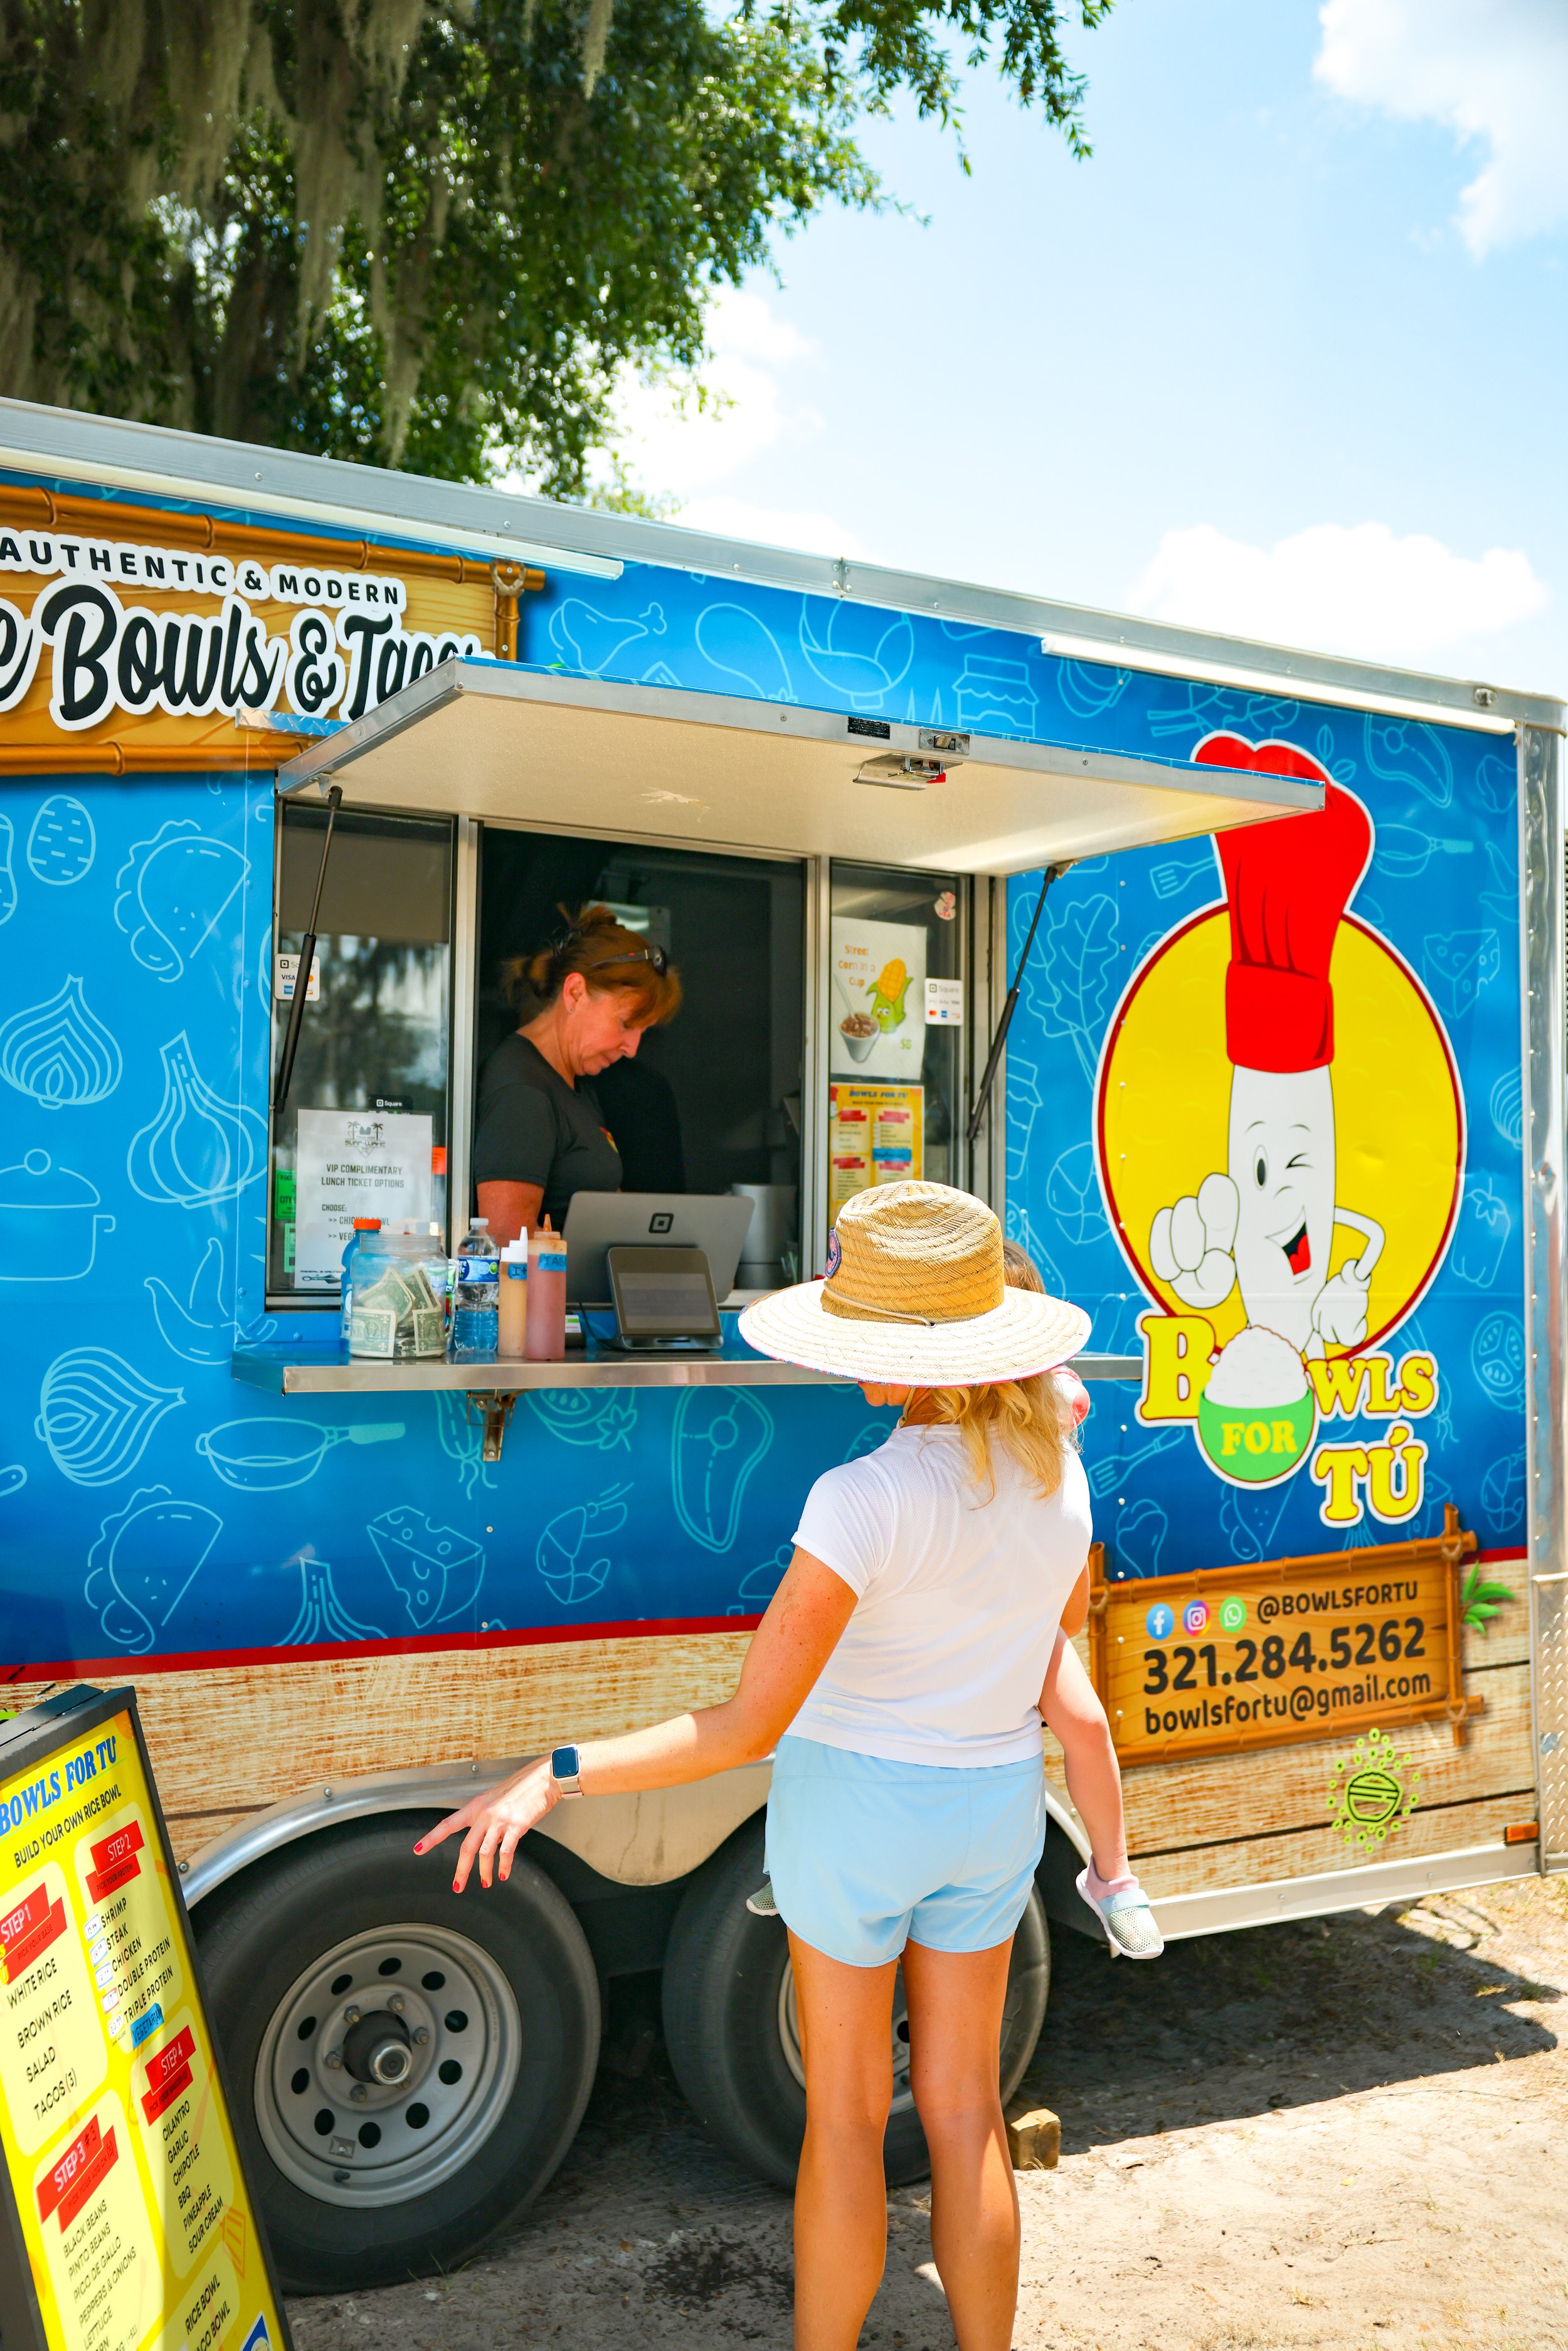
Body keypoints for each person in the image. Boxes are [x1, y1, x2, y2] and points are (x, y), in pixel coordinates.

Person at [415, 1181, 1162, 2351]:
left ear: (914, 1350)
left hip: (856, 1824)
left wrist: (554, 1772)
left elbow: (746, 1727)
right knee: (967, 2114)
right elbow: (1051, 1648)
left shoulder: (859, 1498)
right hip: (994, 1815)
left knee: (849, 2121)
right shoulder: (1057, 1478)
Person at [471, 905, 682, 1246]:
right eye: (626, 1024)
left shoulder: (573, 1081)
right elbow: (508, 1242)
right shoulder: (522, 1091)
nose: (632, 1048)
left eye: (644, 1032)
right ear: (574, 993)